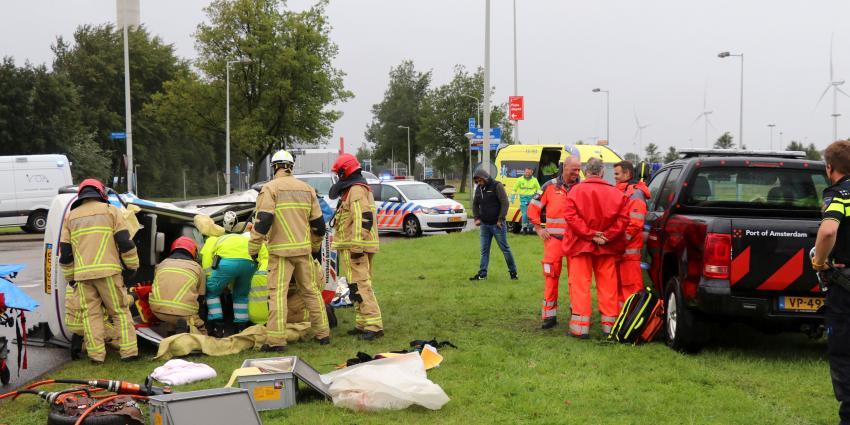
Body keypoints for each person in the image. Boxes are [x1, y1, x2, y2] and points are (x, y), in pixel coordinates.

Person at [250, 150, 330, 351]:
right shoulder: (307, 189)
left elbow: (263, 221)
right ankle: (323, 334)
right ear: (291, 167)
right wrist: (314, 247)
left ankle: (276, 342)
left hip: (280, 253)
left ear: (275, 167)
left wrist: (254, 248)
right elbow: (319, 226)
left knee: (278, 295)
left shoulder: (270, 189)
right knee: (311, 291)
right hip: (303, 251)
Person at [58, 178, 139, 363]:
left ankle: (96, 356)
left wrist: (70, 277)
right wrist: (132, 266)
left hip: (83, 276)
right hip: (109, 273)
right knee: (119, 311)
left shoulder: (70, 217)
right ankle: (129, 353)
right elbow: (125, 242)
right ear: (101, 192)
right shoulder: (111, 211)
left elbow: (65, 253)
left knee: (90, 315)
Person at [562, 158, 629, 338]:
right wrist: (605, 236)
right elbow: (623, 220)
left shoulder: (574, 191)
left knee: (580, 286)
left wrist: (590, 234)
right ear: (601, 173)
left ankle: (580, 329)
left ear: (585, 172)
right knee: (608, 286)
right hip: (607, 247)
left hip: (579, 246)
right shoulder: (616, 193)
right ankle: (610, 327)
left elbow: (571, 217)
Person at [811, 140, 850, 425]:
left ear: (830, 168)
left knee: (845, 356)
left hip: (846, 290)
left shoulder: (839, 194)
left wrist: (819, 262)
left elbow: (827, 232)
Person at [329, 153, 384, 340]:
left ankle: (374, 326)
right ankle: (362, 324)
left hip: (356, 247)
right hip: (353, 246)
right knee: (355, 287)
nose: (338, 178)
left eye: (339, 173)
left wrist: (357, 246)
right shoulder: (354, 189)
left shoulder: (356, 190)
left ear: (345, 171)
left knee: (361, 286)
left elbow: (364, 218)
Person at [528, 157, 581, 328]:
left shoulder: (582, 188)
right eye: (574, 169)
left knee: (577, 279)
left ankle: (577, 314)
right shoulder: (549, 186)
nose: (577, 173)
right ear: (564, 168)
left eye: (579, 169)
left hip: (575, 242)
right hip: (553, 242)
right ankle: (549, 316)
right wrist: (538, 228)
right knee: (551, 277)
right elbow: (533, 206)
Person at [204, 211, 256, 337]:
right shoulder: (244, 238)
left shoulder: (216, 239)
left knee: (212, 292)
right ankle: (241, 329)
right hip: (249, 264)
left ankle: (218, 326)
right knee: (241, 296)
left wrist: (210, 278)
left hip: (228, 264)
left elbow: (207, 261)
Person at [149, 237, 206, 335]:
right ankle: (185, 329)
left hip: (157, 311)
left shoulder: (161, 264)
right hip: (184, 314)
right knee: (202, 333)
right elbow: (201, 296)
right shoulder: (197, 268)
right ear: (193, 251)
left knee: (172, 313)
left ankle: (170, 330)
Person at [613, 160, 651, 306]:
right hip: (620, 250)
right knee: (618, 287)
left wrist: (621, 242)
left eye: (617, 174)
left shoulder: (635, 194)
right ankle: (621, 321)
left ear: (627, 173)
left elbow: (635, 223)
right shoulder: (622, 191)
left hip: (628, 252)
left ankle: (631, 321)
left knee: (631, 289)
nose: (614, 177)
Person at [470, 168, 518, 281]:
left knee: (505, 249)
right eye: (477, 182)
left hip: (497, 225)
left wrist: (500, 219)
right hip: (484, 225)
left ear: (485, 177)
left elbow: (505, 203)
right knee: (484, 251)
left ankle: (513, 273)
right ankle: (482, 274)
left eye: (480, 181)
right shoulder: (479, 189)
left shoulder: (497, 186)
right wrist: (477, 218)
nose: (479, 183)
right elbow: (475, 204)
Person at [512, 167, 541, 234]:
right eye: (526, 172)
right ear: (524, 172)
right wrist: (512, 196)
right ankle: (524, 228)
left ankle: (531, 227)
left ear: (531, 173)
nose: (527, 174)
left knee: (532, 213)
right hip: (523, 198)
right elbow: (514, 188)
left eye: (529, 172)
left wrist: (538, 197)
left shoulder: (534, 180)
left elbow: (539, 190)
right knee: (525, 213)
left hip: (532, 198)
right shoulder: (519, 179)